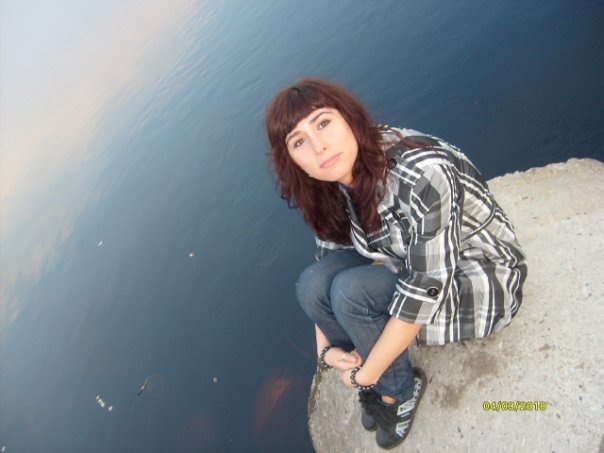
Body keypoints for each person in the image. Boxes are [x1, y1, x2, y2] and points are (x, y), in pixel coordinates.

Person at [265, 79, 527, 449]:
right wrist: (326, 352)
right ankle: (368, 353)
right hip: (412, 260)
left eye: (323, 123)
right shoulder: (333, 176)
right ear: (293, 161)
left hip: (479, 275)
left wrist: (363, 377)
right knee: (311, 286)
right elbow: (327, 259)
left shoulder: (423, 175)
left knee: (351, 293)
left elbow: (424, 290)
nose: (318, 146)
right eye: (299, 142)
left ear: (349, 117)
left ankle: (398, 389)